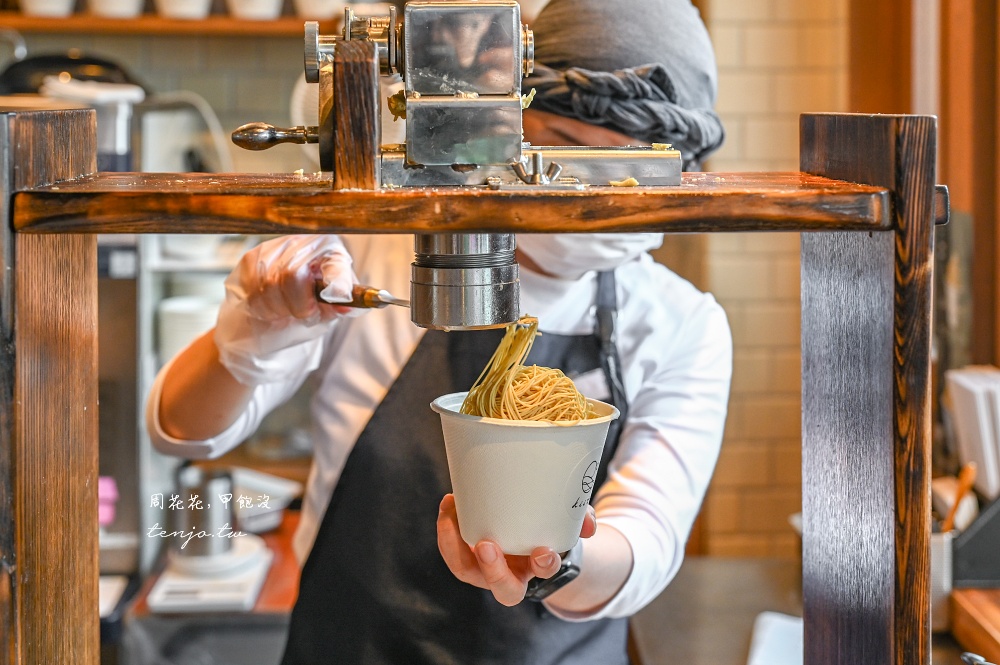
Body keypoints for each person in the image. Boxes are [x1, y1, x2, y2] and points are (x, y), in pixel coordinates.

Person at [147, 1, 730, 663]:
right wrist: (247, 339)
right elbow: (180, 427)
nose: (581, 194)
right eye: (559, 151)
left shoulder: (682, 324)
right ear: (506, 121)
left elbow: (646, 536)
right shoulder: (373, 260)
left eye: (627, 173)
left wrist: (556, 557)